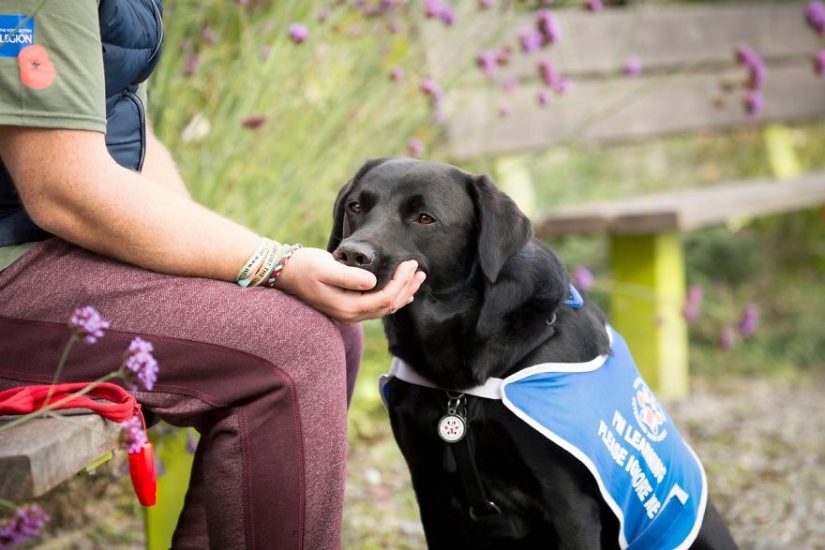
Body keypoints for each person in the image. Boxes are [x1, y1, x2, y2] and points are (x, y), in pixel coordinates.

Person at [0, 1, 425, 548]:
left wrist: (219, 277)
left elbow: (124, 132)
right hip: (17, 260)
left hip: (47, 254)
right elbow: (63, 188)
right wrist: (273, 263)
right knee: (289, 353)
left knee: (326, 330)